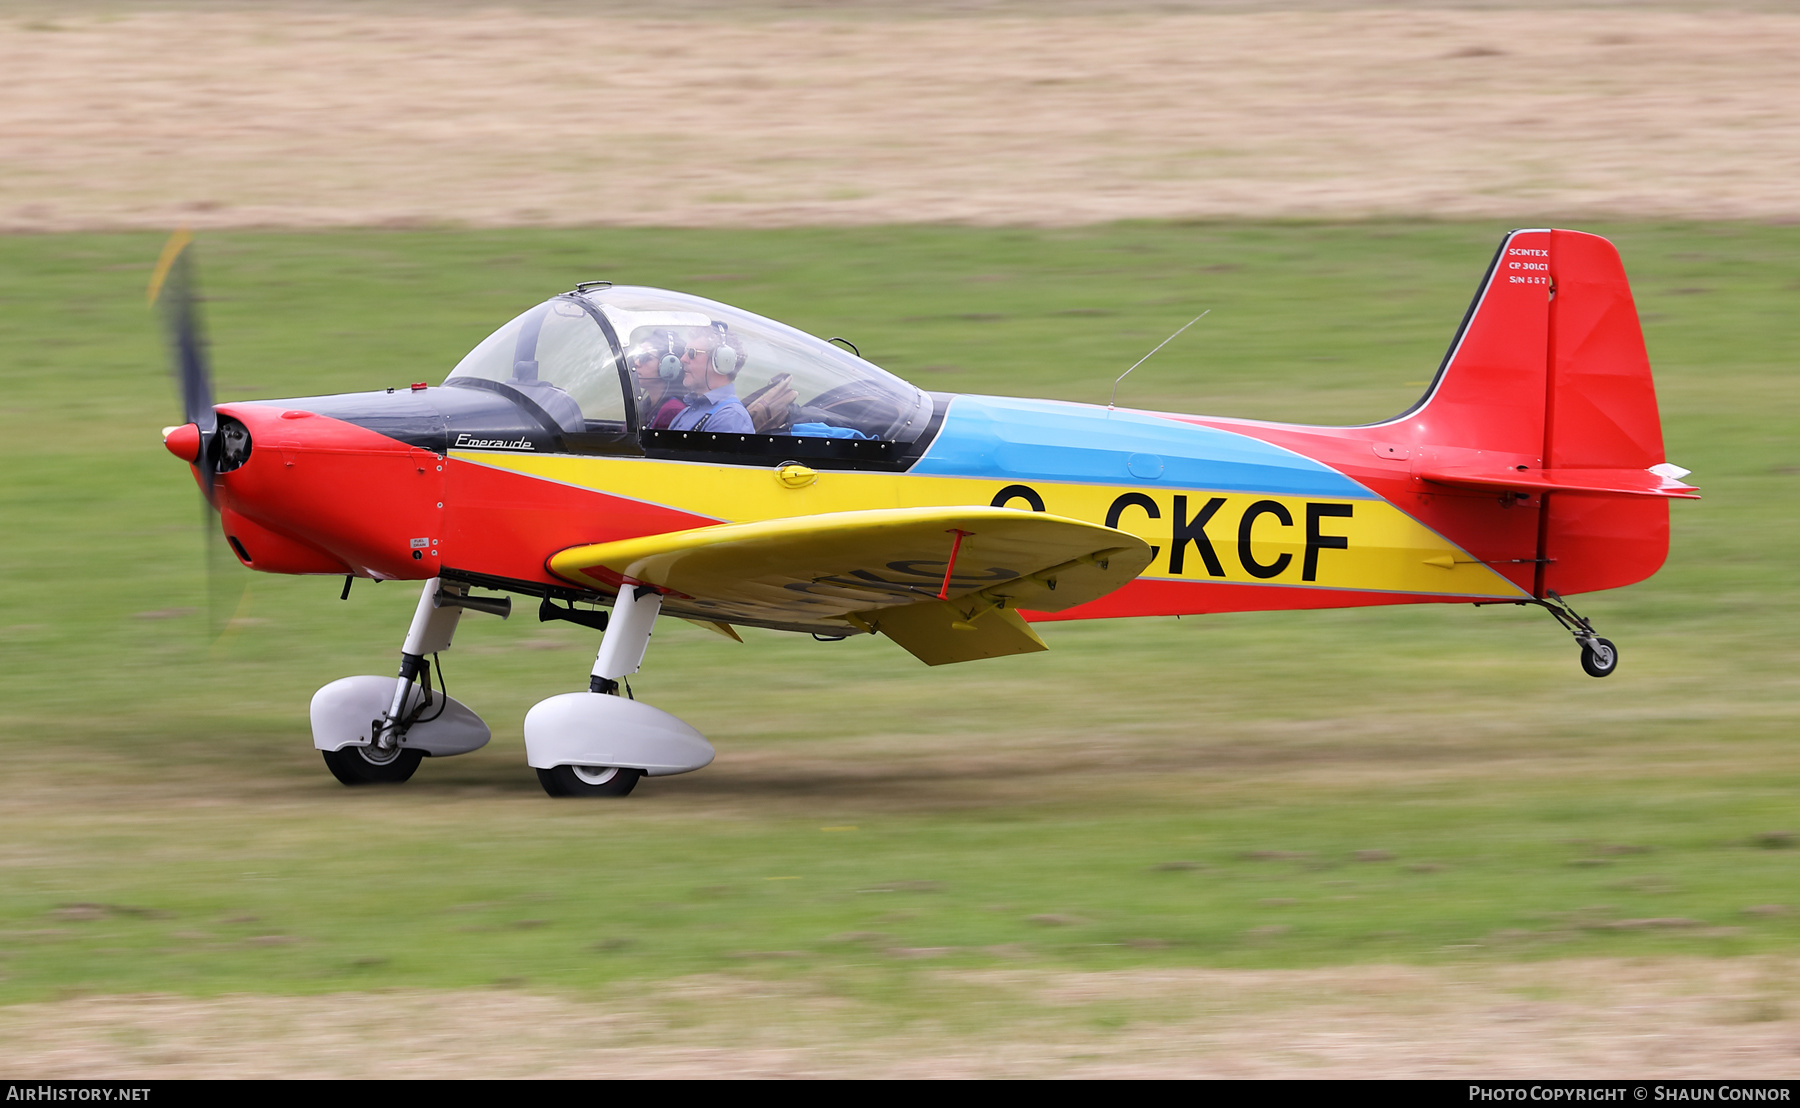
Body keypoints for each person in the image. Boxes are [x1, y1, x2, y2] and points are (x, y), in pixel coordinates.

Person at [668, 323, 754, 434]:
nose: (683, 359)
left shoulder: (730, 417)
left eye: (691, 353)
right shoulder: (689, 410)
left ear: (722, 360)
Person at [627, 332, 688, 430]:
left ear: (670, 366)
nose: (636, 363)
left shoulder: (672, 411)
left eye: (645, 358)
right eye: (637, 356)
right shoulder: (648, 404)